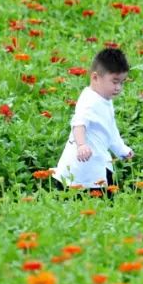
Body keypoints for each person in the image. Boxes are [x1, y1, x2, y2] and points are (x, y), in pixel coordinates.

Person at [52, 47, 134, 193]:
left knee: (105, 195)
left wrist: (121, 150)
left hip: (98, 160)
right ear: (95, 77)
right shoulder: (89, 100)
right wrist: (82, 144)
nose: (118, 88)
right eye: (114, 82)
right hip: (82, 165)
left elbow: (110, 130)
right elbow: (78, 123)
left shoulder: (105, 100)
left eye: (122, 82)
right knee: (82, 198)